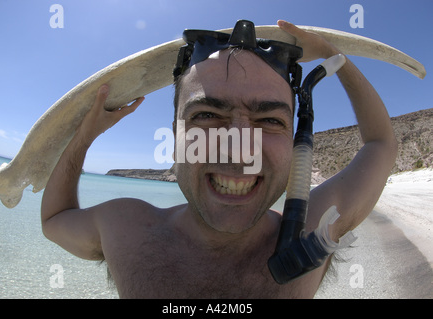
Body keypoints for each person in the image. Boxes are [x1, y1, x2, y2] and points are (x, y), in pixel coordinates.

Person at [41, 20, 398, 298]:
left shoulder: (312, 230)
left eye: (269, 121)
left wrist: (335, 59)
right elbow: (55, 221)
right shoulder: (125, 229)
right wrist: (84, 135)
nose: (238, 149)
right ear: (176, 135)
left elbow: (381, 143)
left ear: (294, 140)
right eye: (207, 115)